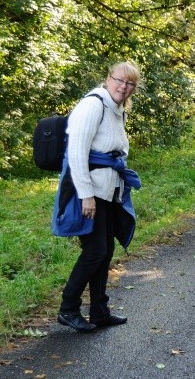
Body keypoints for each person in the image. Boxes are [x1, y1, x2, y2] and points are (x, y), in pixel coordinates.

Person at [54, 62, 142, 333]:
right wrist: (86, 195)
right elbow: (77, 152)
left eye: (130, 84)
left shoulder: (116, 108)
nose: (123, 87)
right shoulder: (94, 104)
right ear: (108, 78)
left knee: (105, 252)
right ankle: (68, 309)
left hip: (107, 191)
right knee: (94, 252)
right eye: (119, 81)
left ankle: (99, 311)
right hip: (89, 192)